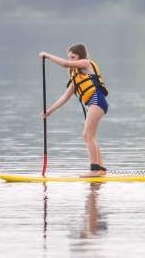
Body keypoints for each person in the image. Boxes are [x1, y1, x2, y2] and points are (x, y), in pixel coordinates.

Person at [39, 44, 109, 177]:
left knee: (87, 135)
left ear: (80, 56)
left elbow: (65, 64)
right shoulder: (76, 78)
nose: (70, 60)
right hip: (95, 103)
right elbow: (64, 97)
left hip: (97, 101)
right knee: (91, 136)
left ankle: (94, 170)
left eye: (73, 57)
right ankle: (101, 169)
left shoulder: (86, 63)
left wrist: (47, 55)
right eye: (69, 57)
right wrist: (49, 111)